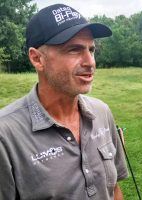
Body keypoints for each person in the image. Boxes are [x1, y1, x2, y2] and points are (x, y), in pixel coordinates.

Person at [0, 4, 128, 200]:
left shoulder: (102, 112)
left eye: (91, 49)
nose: (90, 62)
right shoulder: (6, 136)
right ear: (37, 59)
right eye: (74, 50)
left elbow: (113, 189)